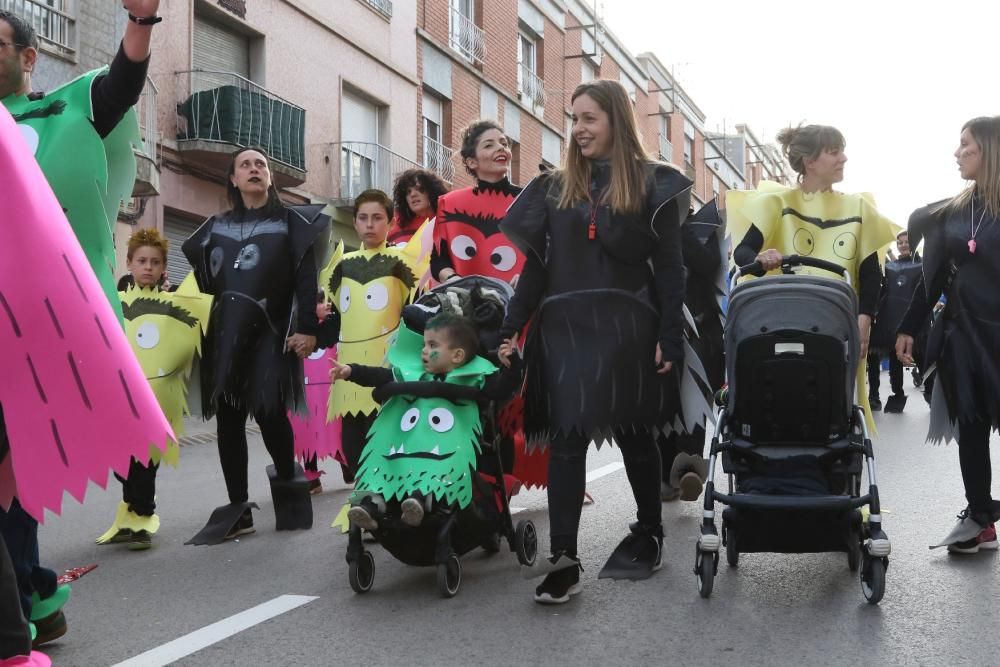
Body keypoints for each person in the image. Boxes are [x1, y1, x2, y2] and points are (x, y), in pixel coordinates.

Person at [1, 2, 163, 656]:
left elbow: (122, 82)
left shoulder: (65, 110)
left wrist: (142, 21)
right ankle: (35, 592)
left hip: (45, 325)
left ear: (28, 58)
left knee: (13, 470)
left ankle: (26, 602)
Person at [499, 80, 690, 604]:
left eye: (589, 119)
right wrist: (509, 328)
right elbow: (535, 271)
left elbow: (672, 270)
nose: (578, 129)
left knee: (635, 434)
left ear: (616, 121)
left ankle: (649, 529)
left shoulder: (658, 183)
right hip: (563, 328)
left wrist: (670, 337)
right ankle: (565, 558)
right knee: (565, 439)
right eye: (574, 119)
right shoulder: (552, 188)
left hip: (630, 327)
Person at [183, 147, 330, 544]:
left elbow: (305, 280)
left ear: (270, 177)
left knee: (269, 411)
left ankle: (287, 481)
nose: (254, 169)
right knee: (228, 420)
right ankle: (238, 507)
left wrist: (307, 329)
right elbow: (203, 288)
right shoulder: (213, 228)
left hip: (272, 332)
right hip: (226, 334)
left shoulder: (291, 224)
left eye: (261, 164)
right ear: (232, 179)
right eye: (245, 165)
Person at [727, 124, 898, 427]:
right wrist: (760, 257)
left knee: (835, 402)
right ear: (810, 161)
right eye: (834, 152)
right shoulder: (778, 203)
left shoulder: (859, 207)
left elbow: (870, 272)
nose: (843, 158)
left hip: (838, 322)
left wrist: (865, 318)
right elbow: (743, 253)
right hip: (782, 319)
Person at [899, 116, 1000, 554]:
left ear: (990, 151)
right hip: (966, 334)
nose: (957, 153)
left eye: (966, 146)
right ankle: (979, 516)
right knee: (971, 425)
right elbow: (933, 278)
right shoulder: (953, 212)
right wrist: (907, 326)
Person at [332, 313, 520, 529]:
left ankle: (421, 500)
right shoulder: (413, 373)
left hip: (445, 448)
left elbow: (502, 389)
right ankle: (371, 504)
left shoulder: (475, 377)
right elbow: (381, 376)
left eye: (432, 345)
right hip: (407, 441)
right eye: (424, 344)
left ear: (457, 356)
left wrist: (513, 366)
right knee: (384, 465)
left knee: (433, 473)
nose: (423, 350)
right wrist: (351, 371)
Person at [95, 229, 211, 550]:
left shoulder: (171, 305)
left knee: (144, 459)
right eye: (142, 261)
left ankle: (143, 518)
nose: (148, 267)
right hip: (119, 396)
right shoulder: (114, 301)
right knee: (122, 459)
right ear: (129, 263)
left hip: (158, 400)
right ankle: (132, 507)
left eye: (155, 262)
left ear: (163, 268)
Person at [322, 189, 433, 484]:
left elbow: (415, 310)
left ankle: (390, 501)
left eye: (377, 218)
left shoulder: (404, 260)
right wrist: (310, 334)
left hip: (387, 368)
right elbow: (337, 318)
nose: (369, 224)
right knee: (354, 446)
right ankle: (366, 500)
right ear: (355, 222)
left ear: (389, 221)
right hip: (347, 370)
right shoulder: (340, 265)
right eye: (363, 218)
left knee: (390, 439)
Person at [432, 120, 525, 285]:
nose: (501, 147)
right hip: (468, 304)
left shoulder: (529, 199)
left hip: (521, 303)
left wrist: (528, 280)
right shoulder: (450, 203)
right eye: (489, 145)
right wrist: (454, 280)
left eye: (504, 143)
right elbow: (439, 261)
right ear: (471, 162)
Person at [868, 230, 921, 413]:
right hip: (890, 320)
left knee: (924, 358)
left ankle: (932, 396)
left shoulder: (923, 265)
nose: (904, 245)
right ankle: (890, 394)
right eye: (900, 242)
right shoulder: (889, 267)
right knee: (891, 360)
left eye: (907, 241)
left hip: (916, 322)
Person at [389, 168, 448, 246]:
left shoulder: (447, 221)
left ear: (432, 192)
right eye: (408, 191)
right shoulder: (395, 221)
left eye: (420, 189)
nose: (413, 194)